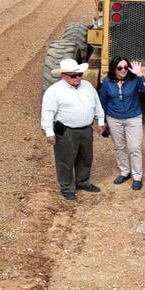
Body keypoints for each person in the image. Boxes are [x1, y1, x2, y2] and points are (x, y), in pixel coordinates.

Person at [41, 58, 106, 200]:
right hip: (66, 131)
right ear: (64, 75)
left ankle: (82, 181)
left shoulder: (88, 86)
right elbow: (48, 112)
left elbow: (97, 104)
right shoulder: (54, 91)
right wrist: (49, 132)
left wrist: (101, 121)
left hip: (86, 129)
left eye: (79, 74)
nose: (77, 78)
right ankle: (66, 187)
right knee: (65, 160)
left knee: (85, 157)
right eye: (73, 75)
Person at [98, 56, 145, 191]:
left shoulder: (134, 80)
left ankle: (137, 176)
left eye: (125, 67)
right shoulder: (107, 82)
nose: (123, 70)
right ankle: (124, 172)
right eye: (119, 68)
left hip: (133, 118)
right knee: (119, 147)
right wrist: (103, 120)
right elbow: (103, 101)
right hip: (114, 118)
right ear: (113, 69)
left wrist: (139, 75)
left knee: (134, 148)